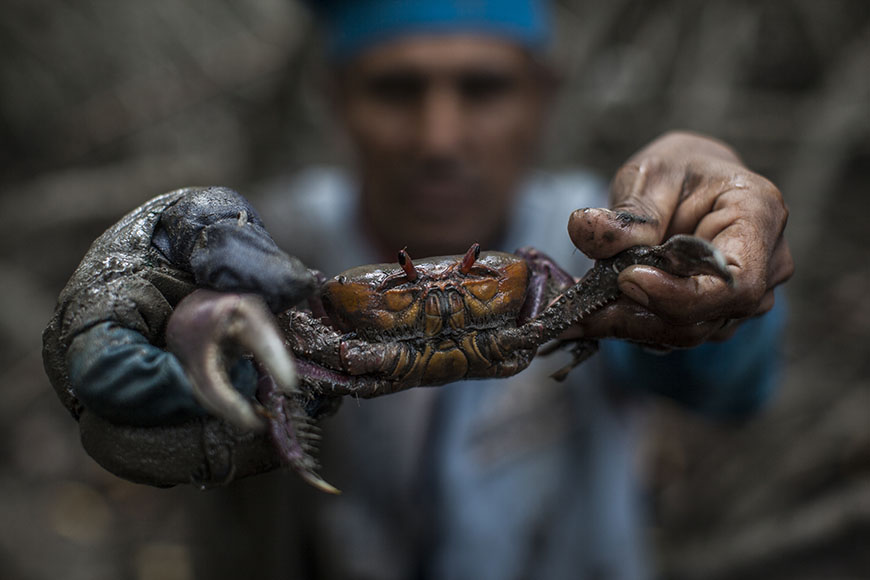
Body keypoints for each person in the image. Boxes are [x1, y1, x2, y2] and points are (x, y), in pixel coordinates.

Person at [43, 1, 793, 578]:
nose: (438, 138)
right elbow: (193, 314)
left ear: (542, 95)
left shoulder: (587, 239)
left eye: (482, 88)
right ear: (336, 97)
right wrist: (158, 302)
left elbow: (729, 385)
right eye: (397, 90)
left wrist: (712, 270)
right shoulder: (270, 256)